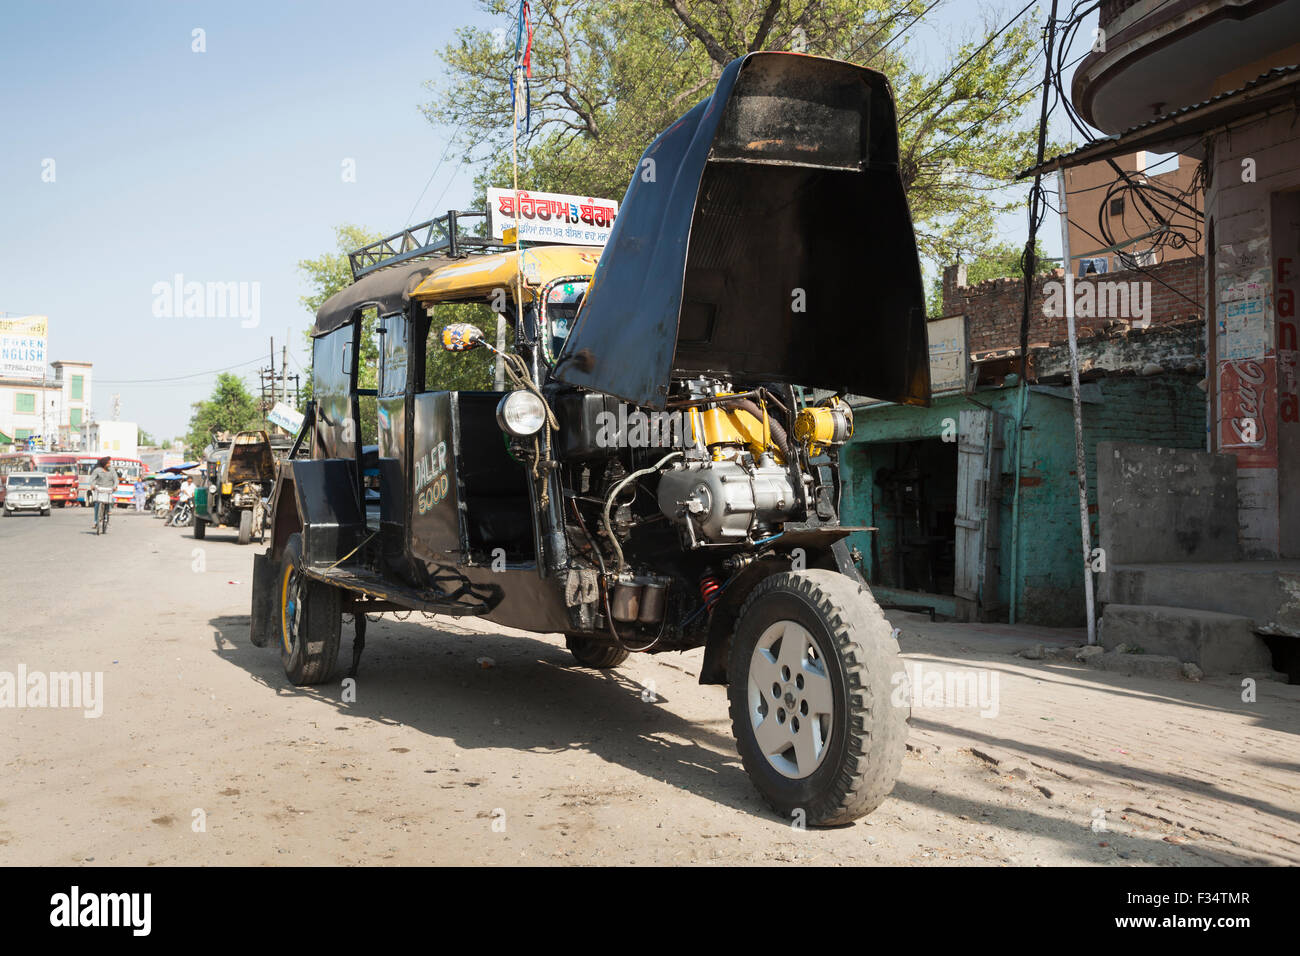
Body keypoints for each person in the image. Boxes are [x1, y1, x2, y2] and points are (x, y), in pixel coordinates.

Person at [88, 457, 118, 530]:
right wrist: (92, 485)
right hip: (99, 489)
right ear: (104, 464)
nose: (109, 464)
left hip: (109, 488)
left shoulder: (112, 470)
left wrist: (115, 486)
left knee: (109, 501)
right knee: (97, 504)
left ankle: (108, 514)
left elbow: (116, 479)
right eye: (108, 463)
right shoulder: (97, 470)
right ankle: (96, 522)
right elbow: (92, 479)